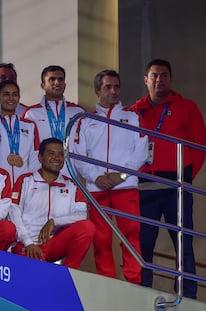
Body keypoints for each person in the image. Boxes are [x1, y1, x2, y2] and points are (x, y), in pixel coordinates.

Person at [132, 59, 206, 298]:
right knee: (144, 243)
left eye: (164, 75)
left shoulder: (187, 107)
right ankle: (141, 291)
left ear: (170, 79)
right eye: (154, 75)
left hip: (176, 184)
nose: (158, 79)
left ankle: (187, 294)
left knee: (183, 243)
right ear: (146, 80)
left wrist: (185, 177)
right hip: (145, 185)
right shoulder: (135, 111)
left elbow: (199, 145)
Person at [73, 70, 148, 284]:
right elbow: (78, 154)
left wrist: (121, 176)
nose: (113, 91)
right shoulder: (85, 120)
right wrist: (96, 177)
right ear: (98, 90)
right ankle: (108, 284)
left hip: (126, 187)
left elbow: (141, 152)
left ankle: (134, 283)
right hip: (97, 189)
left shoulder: (132, 116)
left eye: (117, 86)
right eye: (108, 87)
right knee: (101, 240)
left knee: (131, 237)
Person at [10, 138, 95, 268]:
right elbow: (14, 214)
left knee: (87, 227)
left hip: (54, 244)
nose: (57, 157)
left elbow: (81, 215)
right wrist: (28, 243)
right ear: (40, 157)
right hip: (27, 245)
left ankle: (69, 271)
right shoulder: (25, 180)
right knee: (29, 281)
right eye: (51, 153)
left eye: (61, 154)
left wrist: (54, 221)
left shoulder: (72, 185)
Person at [22, 65, 85, 175]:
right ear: (43, 85)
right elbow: (26, 146)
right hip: (40, 173)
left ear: (65, 84)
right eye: (52, 79)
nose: (57, 82)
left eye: (61, 79)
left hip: (70, 173)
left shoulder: (78, 111)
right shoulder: (31, 113)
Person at [0, 80, 40, 185]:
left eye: (15, 94)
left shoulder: (30, 125)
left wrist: (31, 183)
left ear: (19, 98)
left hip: (23, 184)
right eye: (6, 94)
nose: (11, 98)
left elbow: (34, 157)